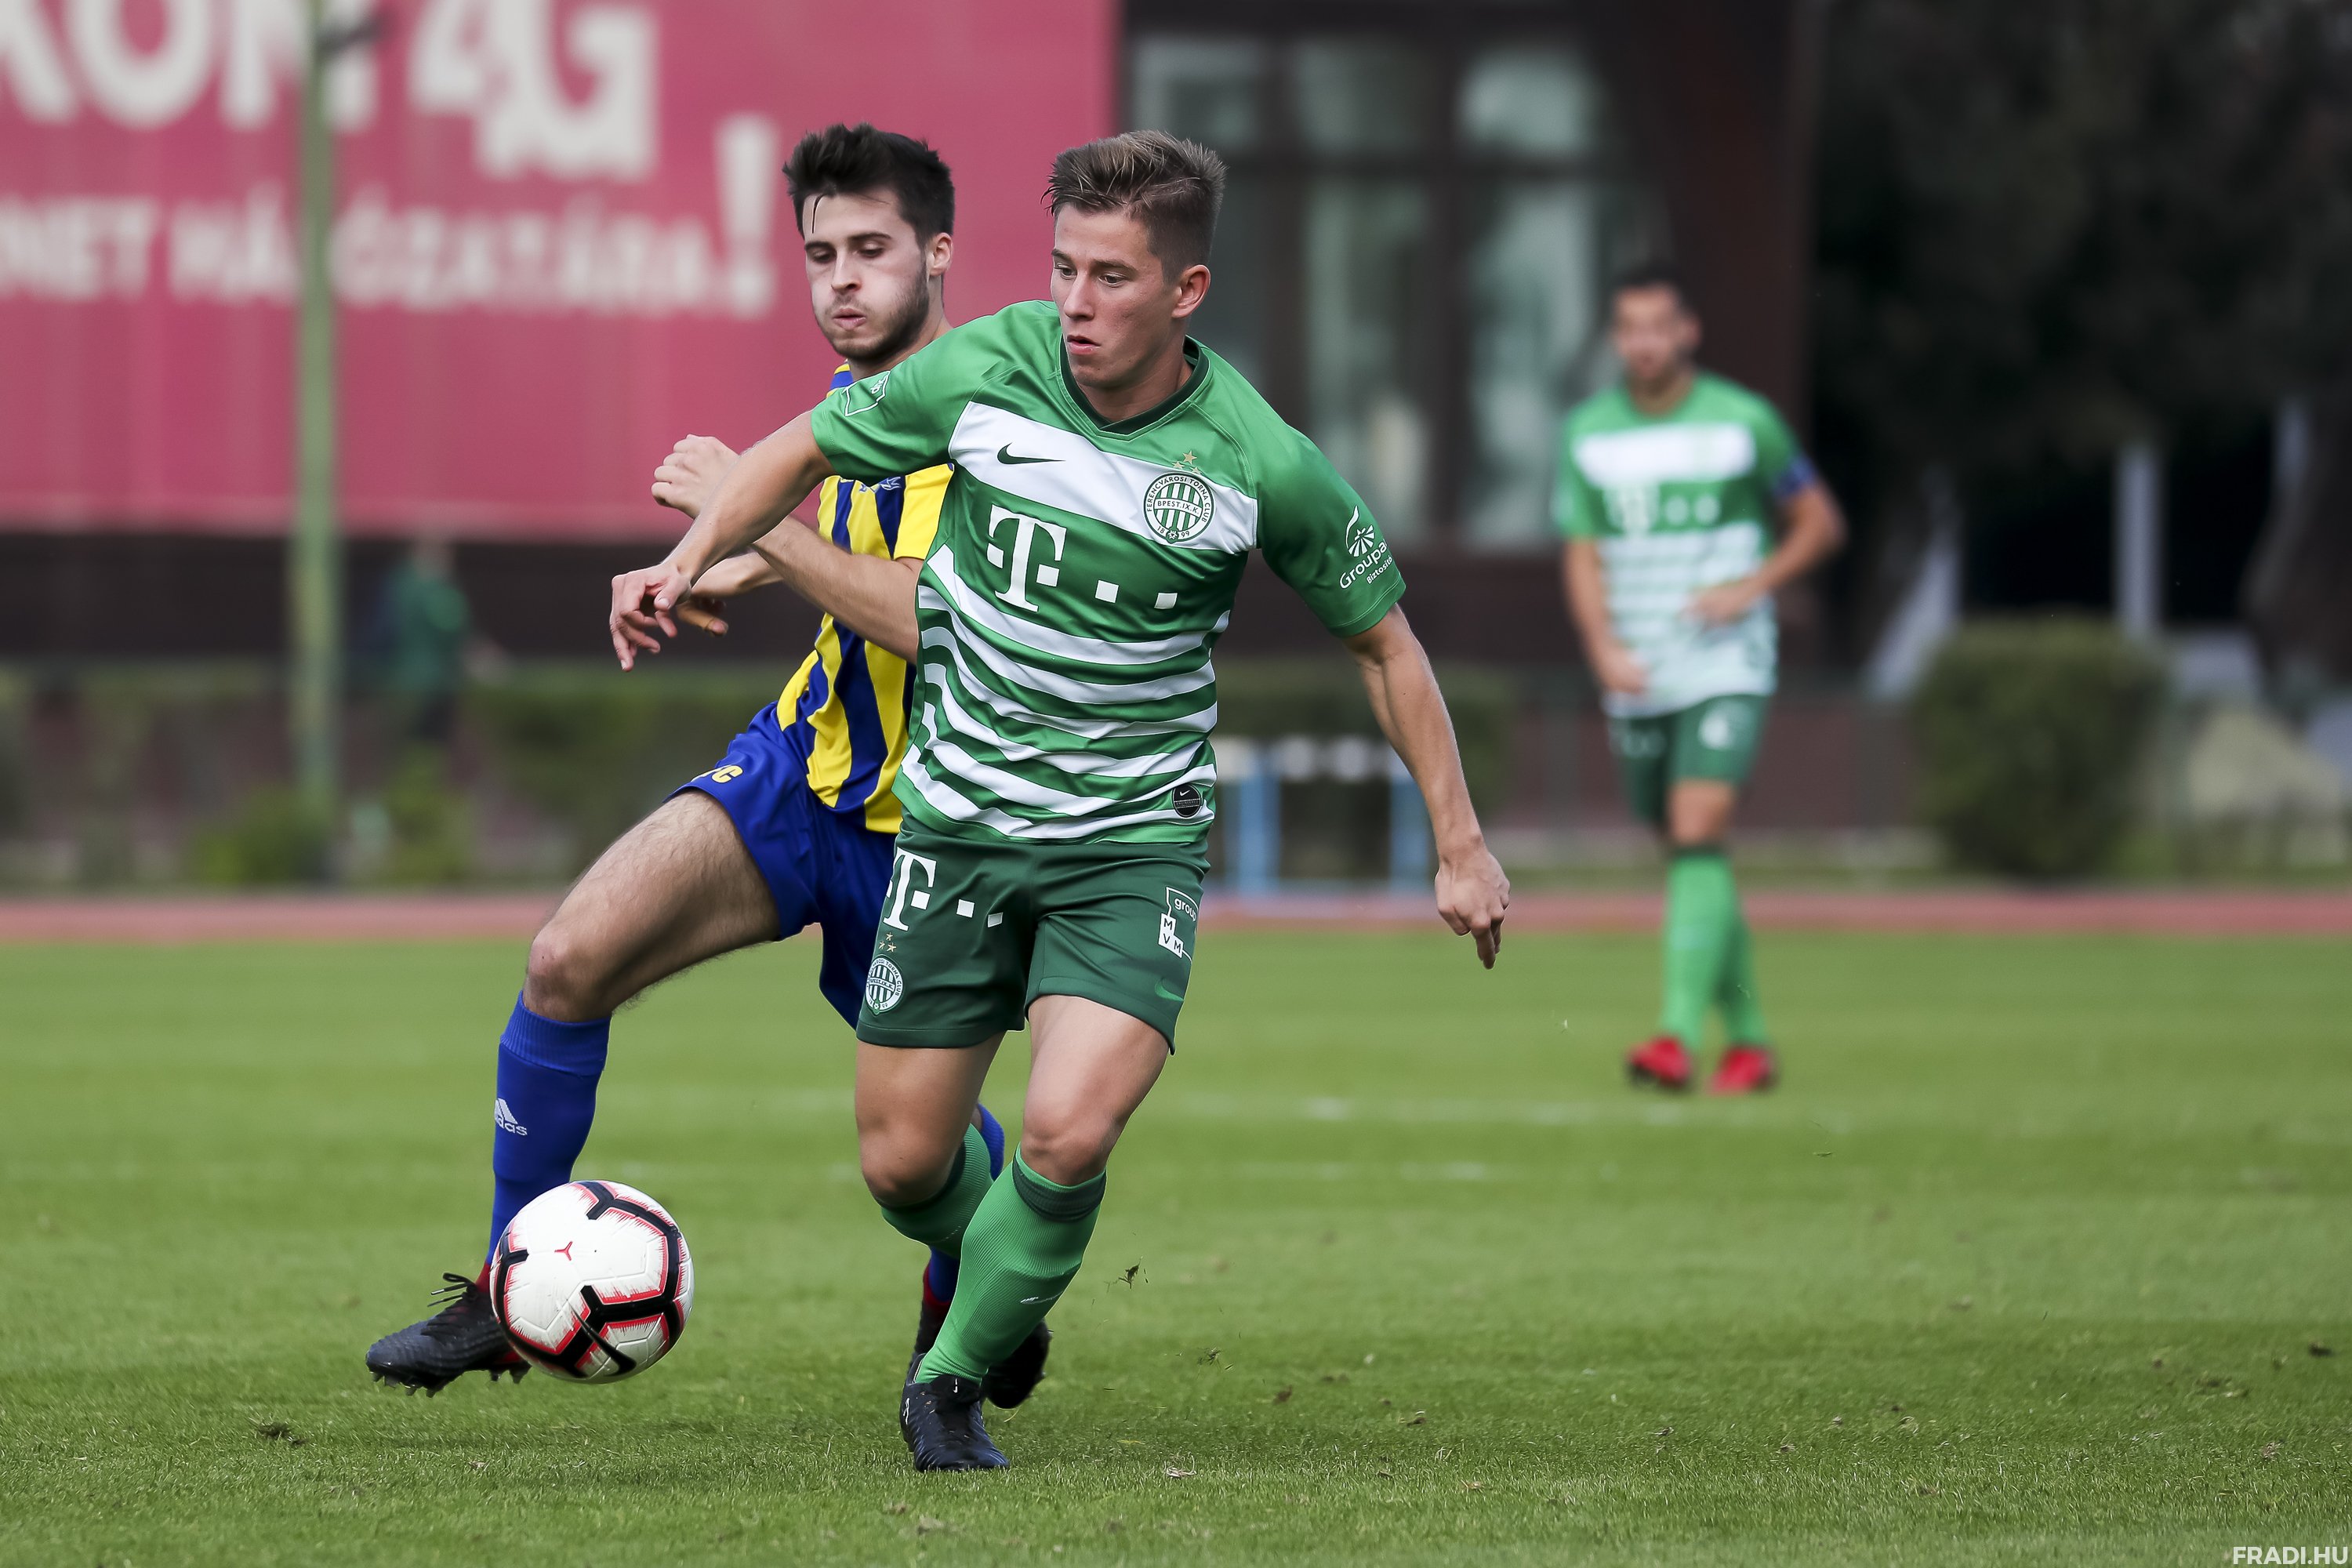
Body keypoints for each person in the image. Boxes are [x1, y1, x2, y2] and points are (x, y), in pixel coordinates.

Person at [608, 129, 1512, 1472]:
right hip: (959, 828)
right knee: (902, 1164)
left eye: (1112, 278)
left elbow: (1386, 646)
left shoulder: (1259, 459)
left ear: (1187, 291)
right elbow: (797, 448)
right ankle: (1003, 1279)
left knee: (1068, 1127)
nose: (1076, 303)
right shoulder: (989, 367)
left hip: (1127, 850)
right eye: (1063, 269)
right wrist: (685, 560)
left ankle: (949, 1383)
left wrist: (1461, 844)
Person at [365, 125, 1046, 1411]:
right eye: (821, 255)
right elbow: (849, 532)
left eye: (872, 250)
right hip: (800, 774)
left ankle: (974, 1300)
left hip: (936, 831)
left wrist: (759, 528)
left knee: (923, 1152)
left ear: (941, 253)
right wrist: (707, 570)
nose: (842, 280)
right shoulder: (858, 397)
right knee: (568, 958)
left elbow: (933, 619)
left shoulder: (1002, 418)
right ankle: (510, 1294)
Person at [1554, 262, 1845, 1096]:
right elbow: (1582, 551)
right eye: (1630, 329)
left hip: (1726, 661)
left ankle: (1675, 1037)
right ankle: (1750, 1042)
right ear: (1617, 338)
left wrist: (1752, 587)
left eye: (1659, 326)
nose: (1645, 343)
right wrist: (1601, 645)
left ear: (1688, 331)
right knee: (1691, 853)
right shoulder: (1588, 434)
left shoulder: (1743, 423)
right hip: (1638, 669)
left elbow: (1820, 522)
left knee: (1697, 825)